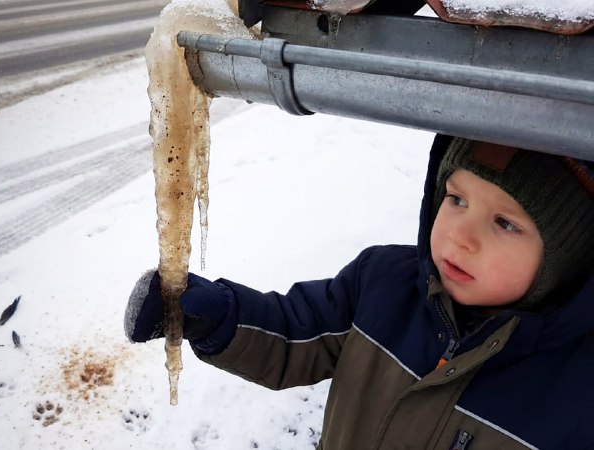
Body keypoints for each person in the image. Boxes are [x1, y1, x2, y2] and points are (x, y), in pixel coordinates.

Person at [124, 135, 594, 450]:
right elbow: (295, 330)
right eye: (456, 200)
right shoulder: (384, 282)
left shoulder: (578, 388)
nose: (459, 237)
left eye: (505, 223)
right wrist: (219, 317)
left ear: (567, 255)